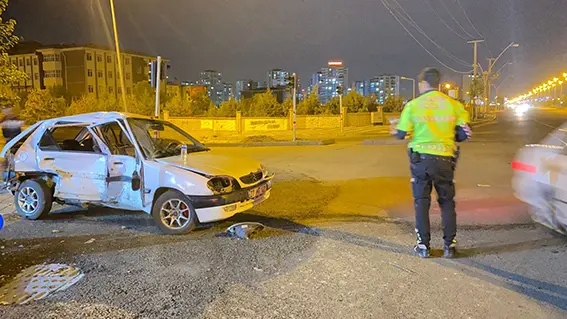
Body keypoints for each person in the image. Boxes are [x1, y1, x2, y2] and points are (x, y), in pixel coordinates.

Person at [391, 67, 471, 259]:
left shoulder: (413, 105)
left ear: (423, 84)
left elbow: (401, 134)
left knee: (421, 203)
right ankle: (449, 246)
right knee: (446, 203)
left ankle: (423, 246)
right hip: (445, 159)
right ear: (438, 84)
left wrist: (395, 128)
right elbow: (463, 134)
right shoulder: (454, 105)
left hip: (421, 160)